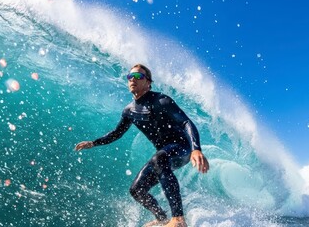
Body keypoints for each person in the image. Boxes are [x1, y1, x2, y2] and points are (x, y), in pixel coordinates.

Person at [75, 64, 209, 227]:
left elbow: (186, 122)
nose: (133, 79)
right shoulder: (129, 111)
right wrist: (94, 143)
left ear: (148, 82)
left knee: (159, 158)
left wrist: (196, 149)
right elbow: (117, 133)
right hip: (164, 155)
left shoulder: (161, 100)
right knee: (136, 189)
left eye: (138, 76)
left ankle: (178, 219)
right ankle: (162, 218)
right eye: (130, 77)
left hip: (182, 148)